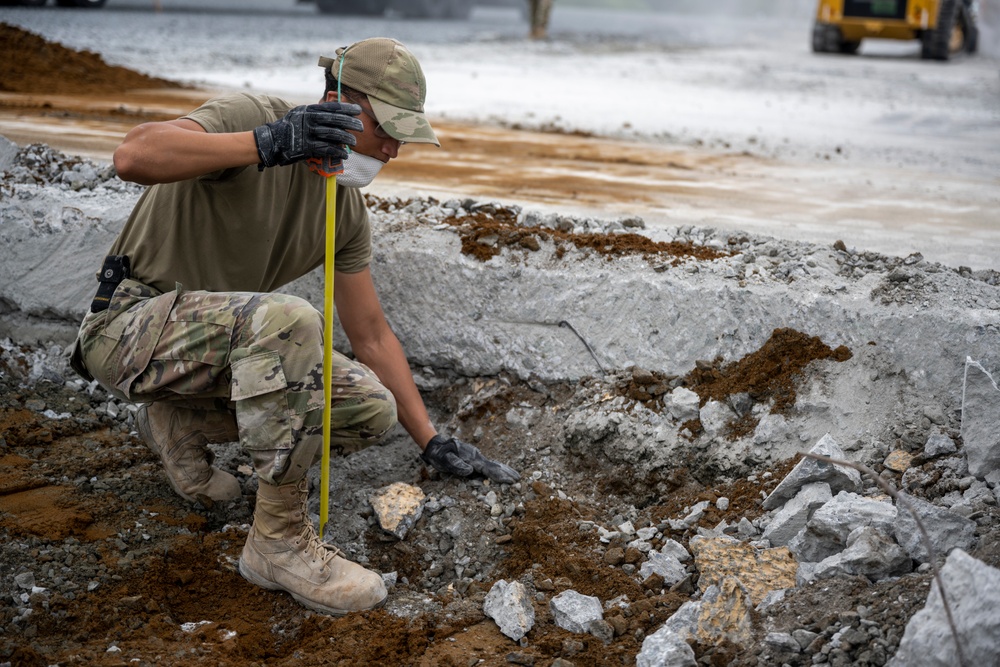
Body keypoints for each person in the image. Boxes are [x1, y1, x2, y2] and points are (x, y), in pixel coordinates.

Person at [70, 37, 519, 617]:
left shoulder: (343, 209)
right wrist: (267, 145)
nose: (393, 149)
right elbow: (133, 156)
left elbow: (372, 335)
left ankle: (178, 420)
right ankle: (277, 544)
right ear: (339, 101)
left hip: (210, 354)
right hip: (127, 329)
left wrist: (432, 441)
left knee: (368, 409)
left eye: (403, 135)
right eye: (386, 128)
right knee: (291, 321)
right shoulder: (254, 119)